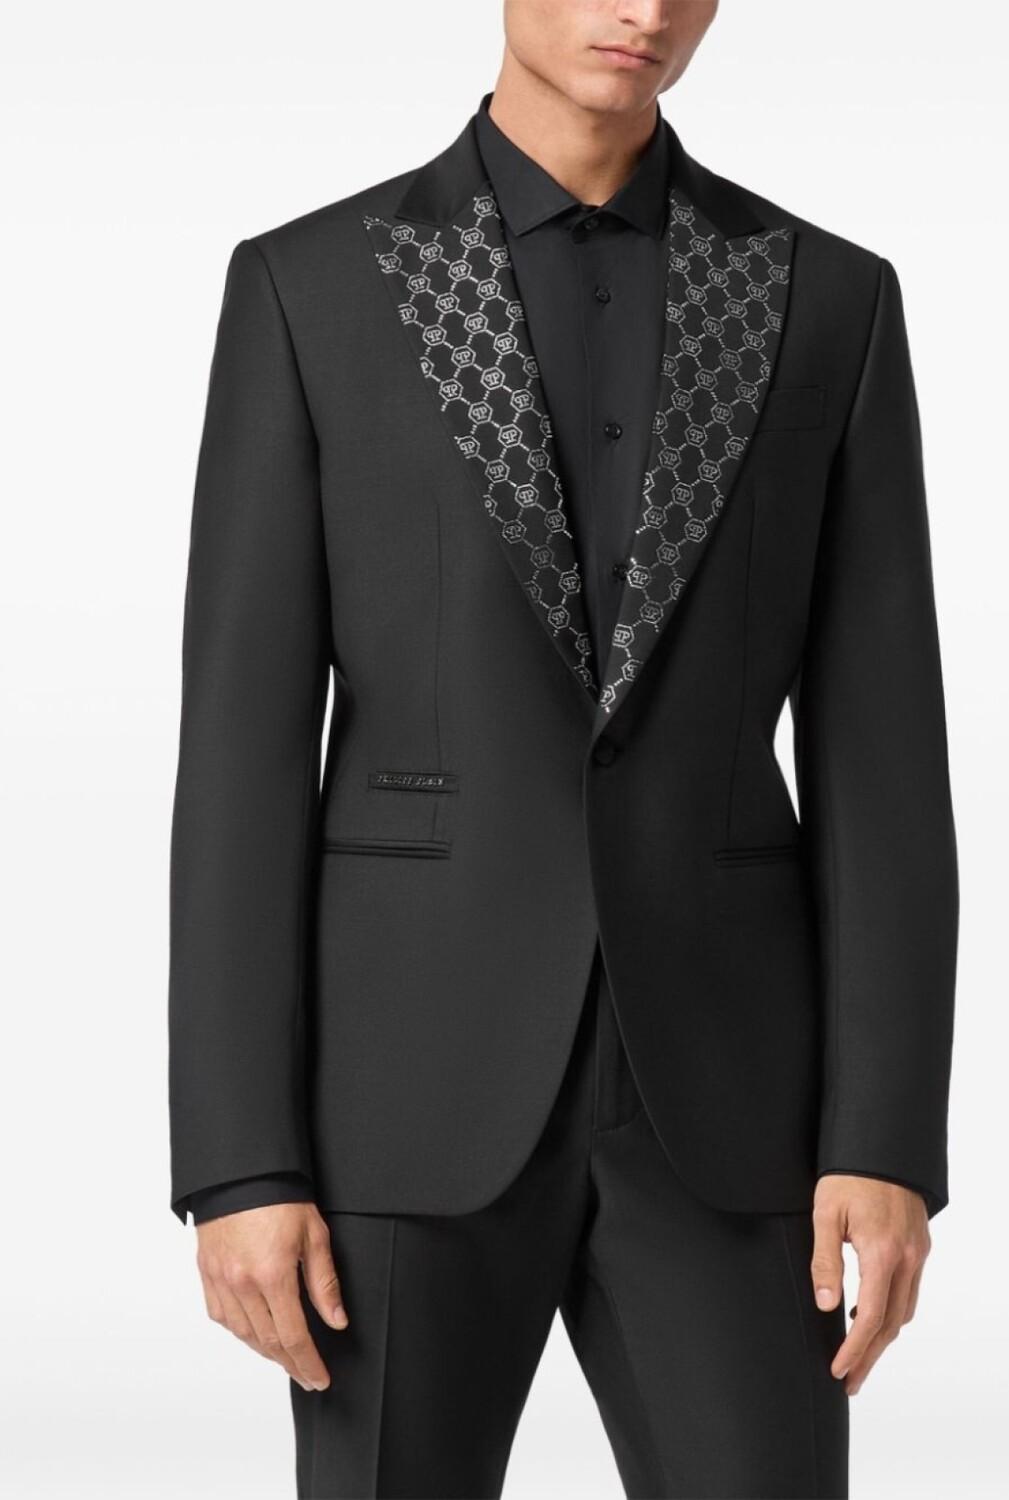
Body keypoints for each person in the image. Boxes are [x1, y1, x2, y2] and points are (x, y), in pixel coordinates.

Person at [168, 1, 959, 1494]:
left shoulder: (826, 299)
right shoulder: (310, 287)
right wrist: (238, 1158)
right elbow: (239, 754)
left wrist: (886, 1134)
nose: (643, 9)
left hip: (734, 1106)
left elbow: (885, 757)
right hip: (400, 1095)